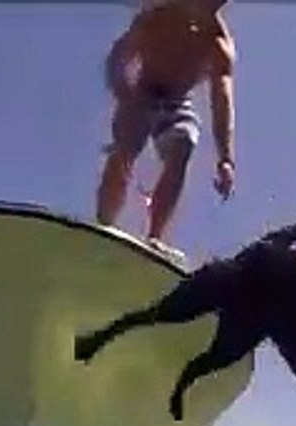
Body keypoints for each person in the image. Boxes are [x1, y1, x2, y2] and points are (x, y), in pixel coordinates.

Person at [95, 0, 237, 258]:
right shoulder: (157, 16)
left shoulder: (218, 45)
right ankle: (103, 225)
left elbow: (222, 101)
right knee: (124, 149)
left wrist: (225, 158)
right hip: (142, 92)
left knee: (183, 144)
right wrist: (124, 92)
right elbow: (119, 56)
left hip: (177, 102)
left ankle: (154, 238)